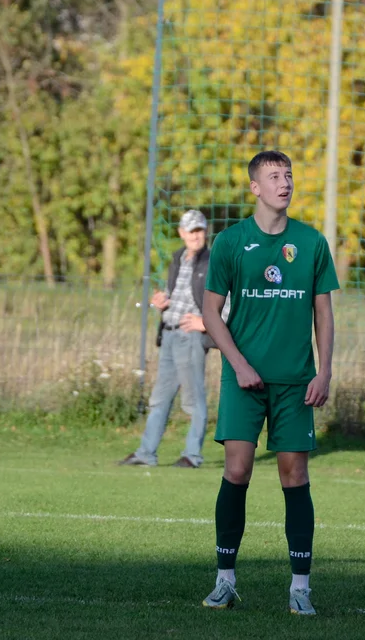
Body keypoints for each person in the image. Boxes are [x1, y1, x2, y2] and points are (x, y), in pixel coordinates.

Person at [198, 150, 338, 616]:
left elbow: (323, 311)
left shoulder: (312, 242)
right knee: (236, 470)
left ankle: (301, 586)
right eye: (274, 176)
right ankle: (225, 580)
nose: (285, 182)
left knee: (294, 475)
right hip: (244, 379)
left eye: (289, 175)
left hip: (296, 382)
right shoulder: (231, 242)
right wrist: (237, 364)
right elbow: (210, 313)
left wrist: (324, 370)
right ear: (255, 187)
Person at [118, 208, 217, 469]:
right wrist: (160, 302)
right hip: (169, 334)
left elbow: (228, 299)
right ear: (181, 233)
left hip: (190, 337)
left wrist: (205, 323)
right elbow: (178, 293)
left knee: (193, 400)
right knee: (159, 398)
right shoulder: (178, 259)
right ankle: (146, 453)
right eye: (191, 230)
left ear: (205, 232)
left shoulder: (214, 261)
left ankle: (192, 455)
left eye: (200, 230)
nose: (196, 235)